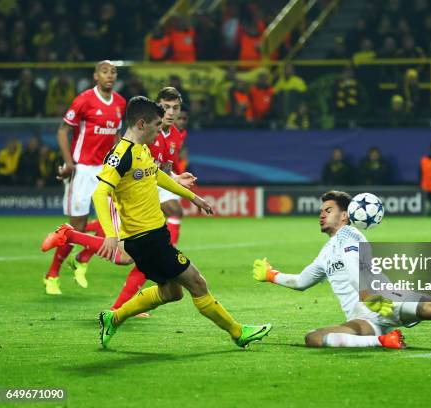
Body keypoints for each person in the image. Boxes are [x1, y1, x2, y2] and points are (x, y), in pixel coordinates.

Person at [44, 96, 271, 349]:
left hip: (155, 235)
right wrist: (110, 233)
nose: (160, 131)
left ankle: (113, 317)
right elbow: (100, 192)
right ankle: (238, 332)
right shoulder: (121, 155)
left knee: (172, 293)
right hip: (146, 239)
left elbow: (157, 175)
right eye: (157, 126)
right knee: (197, 282)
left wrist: (193, 197)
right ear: (142, 124)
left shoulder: (141, 149)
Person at [252, 191, 431, 349]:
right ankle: (383, 340)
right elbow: (301, 281)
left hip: (387, 298)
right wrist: (271, 275)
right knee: (314, 338)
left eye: (328, 210)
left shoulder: (350, 236)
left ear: (345, 215)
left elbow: (356, 269)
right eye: (320, 211)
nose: (321, 215)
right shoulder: (325, 253)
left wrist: (370, 295)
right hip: (364, 316)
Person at [43, 60, 127, 295]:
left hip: (105, 171)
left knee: (113, 225)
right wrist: (69, 163)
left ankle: (81, 258)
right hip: (82, 170)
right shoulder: (84, 100)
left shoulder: (120, 103)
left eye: (113, 72)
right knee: (75, 228)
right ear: (95, 76)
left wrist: (120, 163)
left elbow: (118, 136)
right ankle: (52, 274)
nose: (109, 76)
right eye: (104, 72)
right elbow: (63, 129)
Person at [109, 87, 188, 313]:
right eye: (165, 107)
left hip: (151, 186)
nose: (171, 112)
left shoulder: (174, 135)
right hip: (130, 192)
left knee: (143, 253)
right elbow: (124, 158)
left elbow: (162, 170)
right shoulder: (146, 132)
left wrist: (176, 178)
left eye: (176, 108)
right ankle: (73, 235)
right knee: (127, 257)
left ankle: (120, 305)